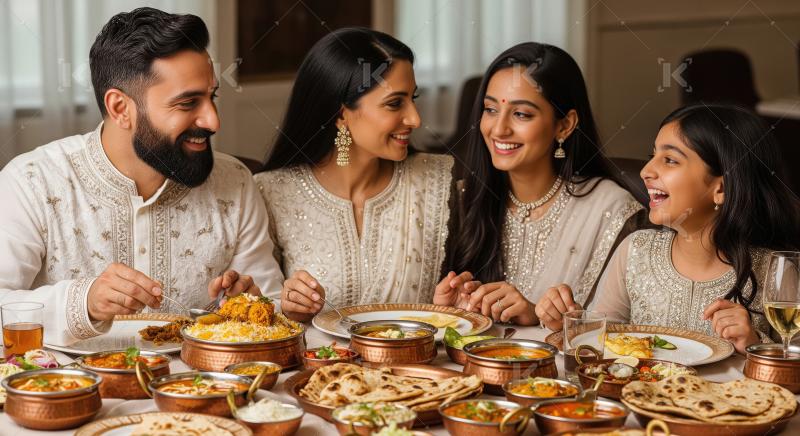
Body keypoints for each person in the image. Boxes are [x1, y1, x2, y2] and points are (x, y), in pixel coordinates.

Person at [0, 8, 282, 346]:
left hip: (207, 391)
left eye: (212, 97)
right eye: (188, 103)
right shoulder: (32, 182)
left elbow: (273, 307)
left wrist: (250, 303)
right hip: (74, 394)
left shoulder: (234, 182)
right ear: (120, 108)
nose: (212, 121)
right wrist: (83, 302)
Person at [537, 104, 800, 353]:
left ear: (720, 189)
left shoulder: (774, 271)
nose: (646, 171)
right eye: (652, 156)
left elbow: (793, 368)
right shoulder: (636, 251)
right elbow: (598, 341)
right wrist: (565, 321)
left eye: (670, 160)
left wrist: (754, 344)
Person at [255, 28, 476, 322]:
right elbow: (258, 316)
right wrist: (288, 307)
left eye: (413, 98)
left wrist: (454, 304)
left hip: (417, 366)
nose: (415, 118)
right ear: (342, 113)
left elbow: (465, 297)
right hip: (318, 367)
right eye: (395, 103)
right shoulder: (272, 193)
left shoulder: (437, 181)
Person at [438, 42, 644, 325]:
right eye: (490, 109)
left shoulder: (611, 210)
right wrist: (451, 310)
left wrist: (537, 316)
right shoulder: (465, 199)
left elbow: (625, 337)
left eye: (521, 114)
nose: (499, 129)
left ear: (564, 125)